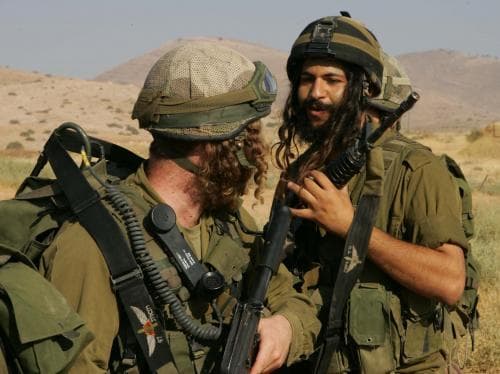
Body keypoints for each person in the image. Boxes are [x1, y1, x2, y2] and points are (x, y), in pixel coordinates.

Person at [39, 41, 320, 373]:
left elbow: (292, 298)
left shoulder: (226, 221)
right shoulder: (93, 242)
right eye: (250, 132)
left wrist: (285, 326)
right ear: (220, 141)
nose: (257, 148)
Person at [275, 14, 468, 373]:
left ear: (364, 89)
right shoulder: (298, 174)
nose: (316, 93)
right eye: (307, 79)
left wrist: (352, 226)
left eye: (332, 80)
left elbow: (450, 281)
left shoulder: (418, 169)